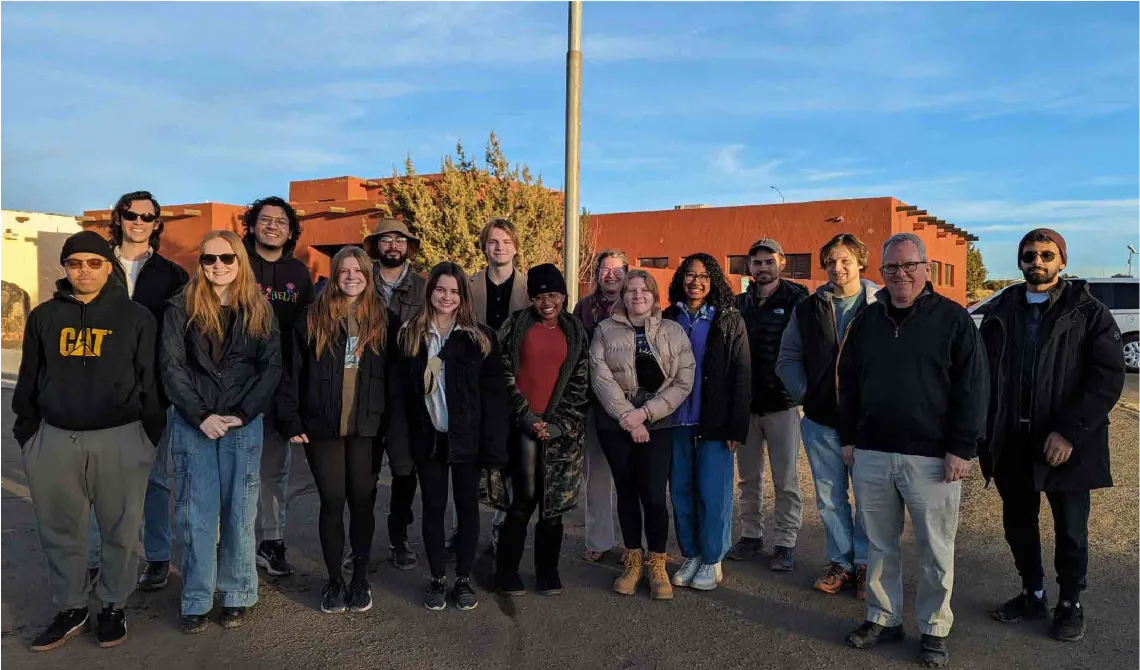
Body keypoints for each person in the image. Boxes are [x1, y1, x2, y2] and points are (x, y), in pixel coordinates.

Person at [838, 232, 988, 668]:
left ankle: (934, 628)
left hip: (934, 458)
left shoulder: (953, 319)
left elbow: (974, 387)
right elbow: (847, 383)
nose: (900, 274)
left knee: (935, 548)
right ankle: (883, 618)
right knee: (880, 544)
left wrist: (962, 447)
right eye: (891, 268)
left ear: (926, 268)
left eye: (908, 266)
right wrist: (849, 438)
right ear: (880, 272)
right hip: (873, 453)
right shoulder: (866, 321)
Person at [14, 231, 164, 651]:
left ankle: (113, 605)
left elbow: (150, 380)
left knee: (120, 529)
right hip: (55, 438)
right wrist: (27, 430)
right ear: (65, 267)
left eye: (93, 263)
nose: (84, 270)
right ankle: (72, 606)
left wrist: (148, 434)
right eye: (75, 262)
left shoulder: (136, 317)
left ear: (108, 267)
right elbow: (29, 375)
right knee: (61, 530)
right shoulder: (44, 316)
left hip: (120, 438)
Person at [979, 229, 1125, 642]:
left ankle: (1070, 602)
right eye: (1029, 255)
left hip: (1067, 443)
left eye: (1046, 255)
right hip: (1013, 440)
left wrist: (1068, 432)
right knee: (1018, 523)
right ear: (1020, 260)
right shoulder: (1003, 308)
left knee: (1071, 530)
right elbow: (982, 373)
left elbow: (1107, 378)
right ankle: (1032, 592)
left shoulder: (1088, 311)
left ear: (1062, 260)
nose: (1037, 262)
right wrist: (981, 432)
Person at [161, 230, 281, 634]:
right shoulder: (181, 307)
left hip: (241, 427)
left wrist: (243, 414)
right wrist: (200, 415)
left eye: (226, 258)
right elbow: (172, 368)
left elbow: (271, 368)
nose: (217, 266)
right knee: (195, 514)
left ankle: (237, 593)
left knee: (240, 514)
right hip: (195, 424)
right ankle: (196, 597)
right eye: (209, 259)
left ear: (239, 261)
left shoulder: (260, 309)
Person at [278, 246, 402, 614]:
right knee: (332, 501)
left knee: (362, 502)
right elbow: (291, 372)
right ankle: (334, 581)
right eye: (344, 270)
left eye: (358, 270)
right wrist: (291, 418)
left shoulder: (384, 319)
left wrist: (393, 428)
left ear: (368, 276)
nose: (351, 276)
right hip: (323, 427)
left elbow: (395, 379)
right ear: (334, 276)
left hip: (367, 427)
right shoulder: (311, 318)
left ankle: (360, 579)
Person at [388, 262, 509, 612]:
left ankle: (464, 579)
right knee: (433, 507)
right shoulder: (411, 335)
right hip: (428, 438)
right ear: (430, 292)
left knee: (468, 509)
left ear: (463, 296)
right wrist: (401, 442)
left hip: (467, 439)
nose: (446, 297)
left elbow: (494, 396)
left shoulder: (478, 337)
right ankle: (439, 577)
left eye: (454, 291)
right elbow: (400, 394)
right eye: (440, 289)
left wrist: (493, 446)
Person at [86, 191, 189, 594]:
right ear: (120, 218)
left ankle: (159, 558)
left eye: (148, 216)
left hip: (153, 392)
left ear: (157, 223)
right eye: (132, 214)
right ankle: (95, 559)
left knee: (157, 480)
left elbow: (182, 334)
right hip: (97, 391)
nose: (139, 221)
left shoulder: (171, 275)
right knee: (98, 480)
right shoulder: (92, 265)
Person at [776, 233, 878, 598]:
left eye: (846, 260)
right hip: (821, 421)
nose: (838, 268)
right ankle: (842, 562)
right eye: (831, 261)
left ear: (861, 263)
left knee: (868, 495)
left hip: (869, 422)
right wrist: (807, 394)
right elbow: (787, 357)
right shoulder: (808, 308)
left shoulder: (880, 305)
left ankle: (867, 563)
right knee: (830, 496)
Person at [590, 269, 695, 600]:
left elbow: (683, 381)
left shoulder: (673, 331)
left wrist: (645, 414)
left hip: (659, 424)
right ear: (623, 295)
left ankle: (657, 562)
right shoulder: (605, 330)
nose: (637, 296)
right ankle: (633, 559)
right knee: (627, 492)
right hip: (615, 424)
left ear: (654, 296)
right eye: (631, 290)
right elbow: (600, 377)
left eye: (644, 290)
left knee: (652, 494)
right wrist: (628, 418)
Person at [491, 264, 590, 597]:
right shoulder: (515, 326)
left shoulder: (575, 330)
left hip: (561, 430)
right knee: (525, 499)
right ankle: (505, 571)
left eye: (553, 294)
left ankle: (547, 571)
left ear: (563, 296)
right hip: (522, 425)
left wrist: (559, 423)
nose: (547, 302)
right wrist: (526, 416)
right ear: (531, 298)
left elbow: (579, 381)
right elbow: (501, 371)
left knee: (555, 505)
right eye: (540, 296)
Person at [663, 254, 750, 592]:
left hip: (715, 422)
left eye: (703, 275)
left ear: (713, 281)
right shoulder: (668, 318)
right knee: (682, 491)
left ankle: (713, 559)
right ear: (680, 279)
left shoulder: (728, 319)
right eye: (689, 274)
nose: (695, 281)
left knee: (713, 493)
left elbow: (742, 376)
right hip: (676, 422)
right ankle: (693, 554)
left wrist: (736, 427)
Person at [243, 196, 314, 578]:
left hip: (280, 383)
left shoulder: (298, 275)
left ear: (290, 231)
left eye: (281, 222)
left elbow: (306, 333)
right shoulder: (233, 263)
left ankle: (271, 541)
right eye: (265, 220)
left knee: (275, 469)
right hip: (235, 385)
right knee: (235, 469)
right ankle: (233, 544)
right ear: (252, 225)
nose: (272, 226)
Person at [730, 238, 809, 571]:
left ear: (781, 262)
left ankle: (785, 542)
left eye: (768, 262)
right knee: (748, 478)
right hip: (747, 406)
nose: (762, 268)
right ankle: (751, 534)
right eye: (756, 263)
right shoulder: (737, 303)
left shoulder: (798, 299)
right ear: (750, 267)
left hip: (782, 404)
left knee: (785, 479)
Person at [362, 218, 427, 570]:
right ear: (376, 245)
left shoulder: (422, 288)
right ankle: (359, 542)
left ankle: (398, 537)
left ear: (408, 247)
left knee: (404, 472)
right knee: (364, 476)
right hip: (366, 391)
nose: (393, 245)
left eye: (399, 240)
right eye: (386, 239)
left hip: (407, 394)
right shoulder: (358, 281)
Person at [463, 218, 530, 554]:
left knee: (512, 460)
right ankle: (466, 528)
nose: (499, 246)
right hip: (476, 384)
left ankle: (502, 524)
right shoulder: (468, 285)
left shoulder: (531, 288)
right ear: (484, 246)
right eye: (492, 241)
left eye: (505, 240)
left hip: (518, 385)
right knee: (472, 462)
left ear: (515, 246)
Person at [572, 249, 627, 563]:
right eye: (605, 269)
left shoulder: (636, 301)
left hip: (631, 402)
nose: (611, 275)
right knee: (597, 474)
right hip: (594, 402)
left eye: (617, 269)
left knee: (631, 474)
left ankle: (635, 542)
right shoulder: (584, 307)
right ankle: (598, 538)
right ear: (597, 273)